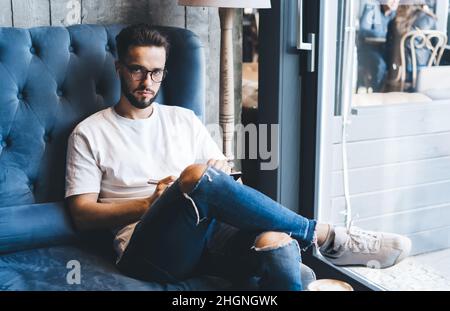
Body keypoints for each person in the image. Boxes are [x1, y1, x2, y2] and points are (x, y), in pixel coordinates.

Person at [65, 24, 412, 291]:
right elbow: (81, 215)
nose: (148, 81)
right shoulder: (90, 132)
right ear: (119, 68)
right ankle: (325, 236)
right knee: (196, 176)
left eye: (157, 73)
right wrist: (149, 203)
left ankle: (297, 268)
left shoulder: (182, 118)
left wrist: (220, 174)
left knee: (276, 245)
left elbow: (227, 180)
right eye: (137, 70)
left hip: (209, 236)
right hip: (149, 250)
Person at [385, 1, 437, 91]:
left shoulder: (396, 21)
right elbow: (436, 44)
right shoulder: (430, 18)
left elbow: (388, 46)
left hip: (401, 72)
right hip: (425, 70)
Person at [357, 0, 399, 92]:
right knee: (381, 65)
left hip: (386, 50)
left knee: (397, 63)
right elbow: (363, 31)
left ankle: (391, 92)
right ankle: (378, 93)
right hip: (370, 50)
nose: (395, 1)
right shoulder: (371, 8)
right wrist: (386, 34)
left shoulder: (396, 14)